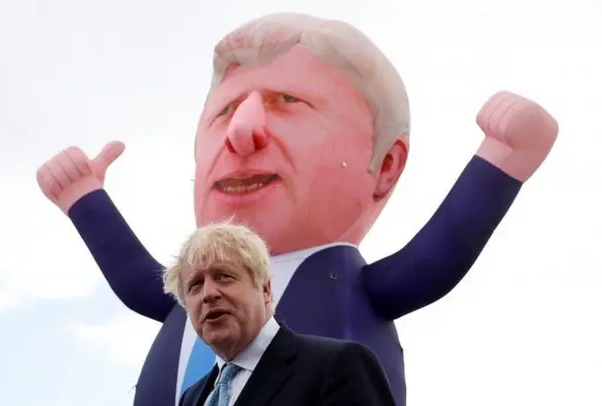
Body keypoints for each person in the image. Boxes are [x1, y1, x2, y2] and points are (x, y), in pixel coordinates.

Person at [36, 12, 559, 406]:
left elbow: (437, 258)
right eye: (225, 112)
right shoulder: (198, 379)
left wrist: (503, 161)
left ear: (386, 165)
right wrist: (85, 199)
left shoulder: (344, 352)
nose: (242, 132)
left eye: (289, 102)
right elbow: (137, 280)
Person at [163, 221, 395, 406]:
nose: (208, 293)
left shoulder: (338, 366)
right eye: (195, 285)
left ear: (265, 289)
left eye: (224, 276)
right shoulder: (192, 399)